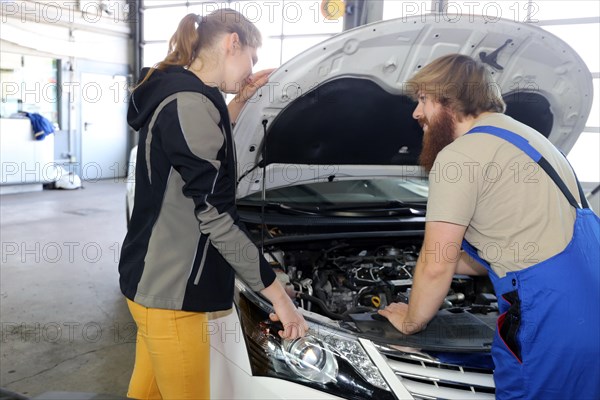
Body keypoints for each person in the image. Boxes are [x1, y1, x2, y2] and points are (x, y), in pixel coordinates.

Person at [378, 54, 599, 399]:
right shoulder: (533, 140)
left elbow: (436, 266)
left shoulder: (459, 156)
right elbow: (517, 238)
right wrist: (451, 264)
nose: (416, 113)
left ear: (449, 98)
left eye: (423, 99)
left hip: (549, 318)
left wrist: (412, 320)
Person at [119, 9, 308, 400]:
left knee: (147, 393)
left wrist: (242, 97)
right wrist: (279, 297)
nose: (250, 69)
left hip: (154, 283)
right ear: (231, 43)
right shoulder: (189, 103)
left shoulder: (185, 95)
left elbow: (205, 141)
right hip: (170, 292)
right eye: (251, 59)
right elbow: (217, 218)